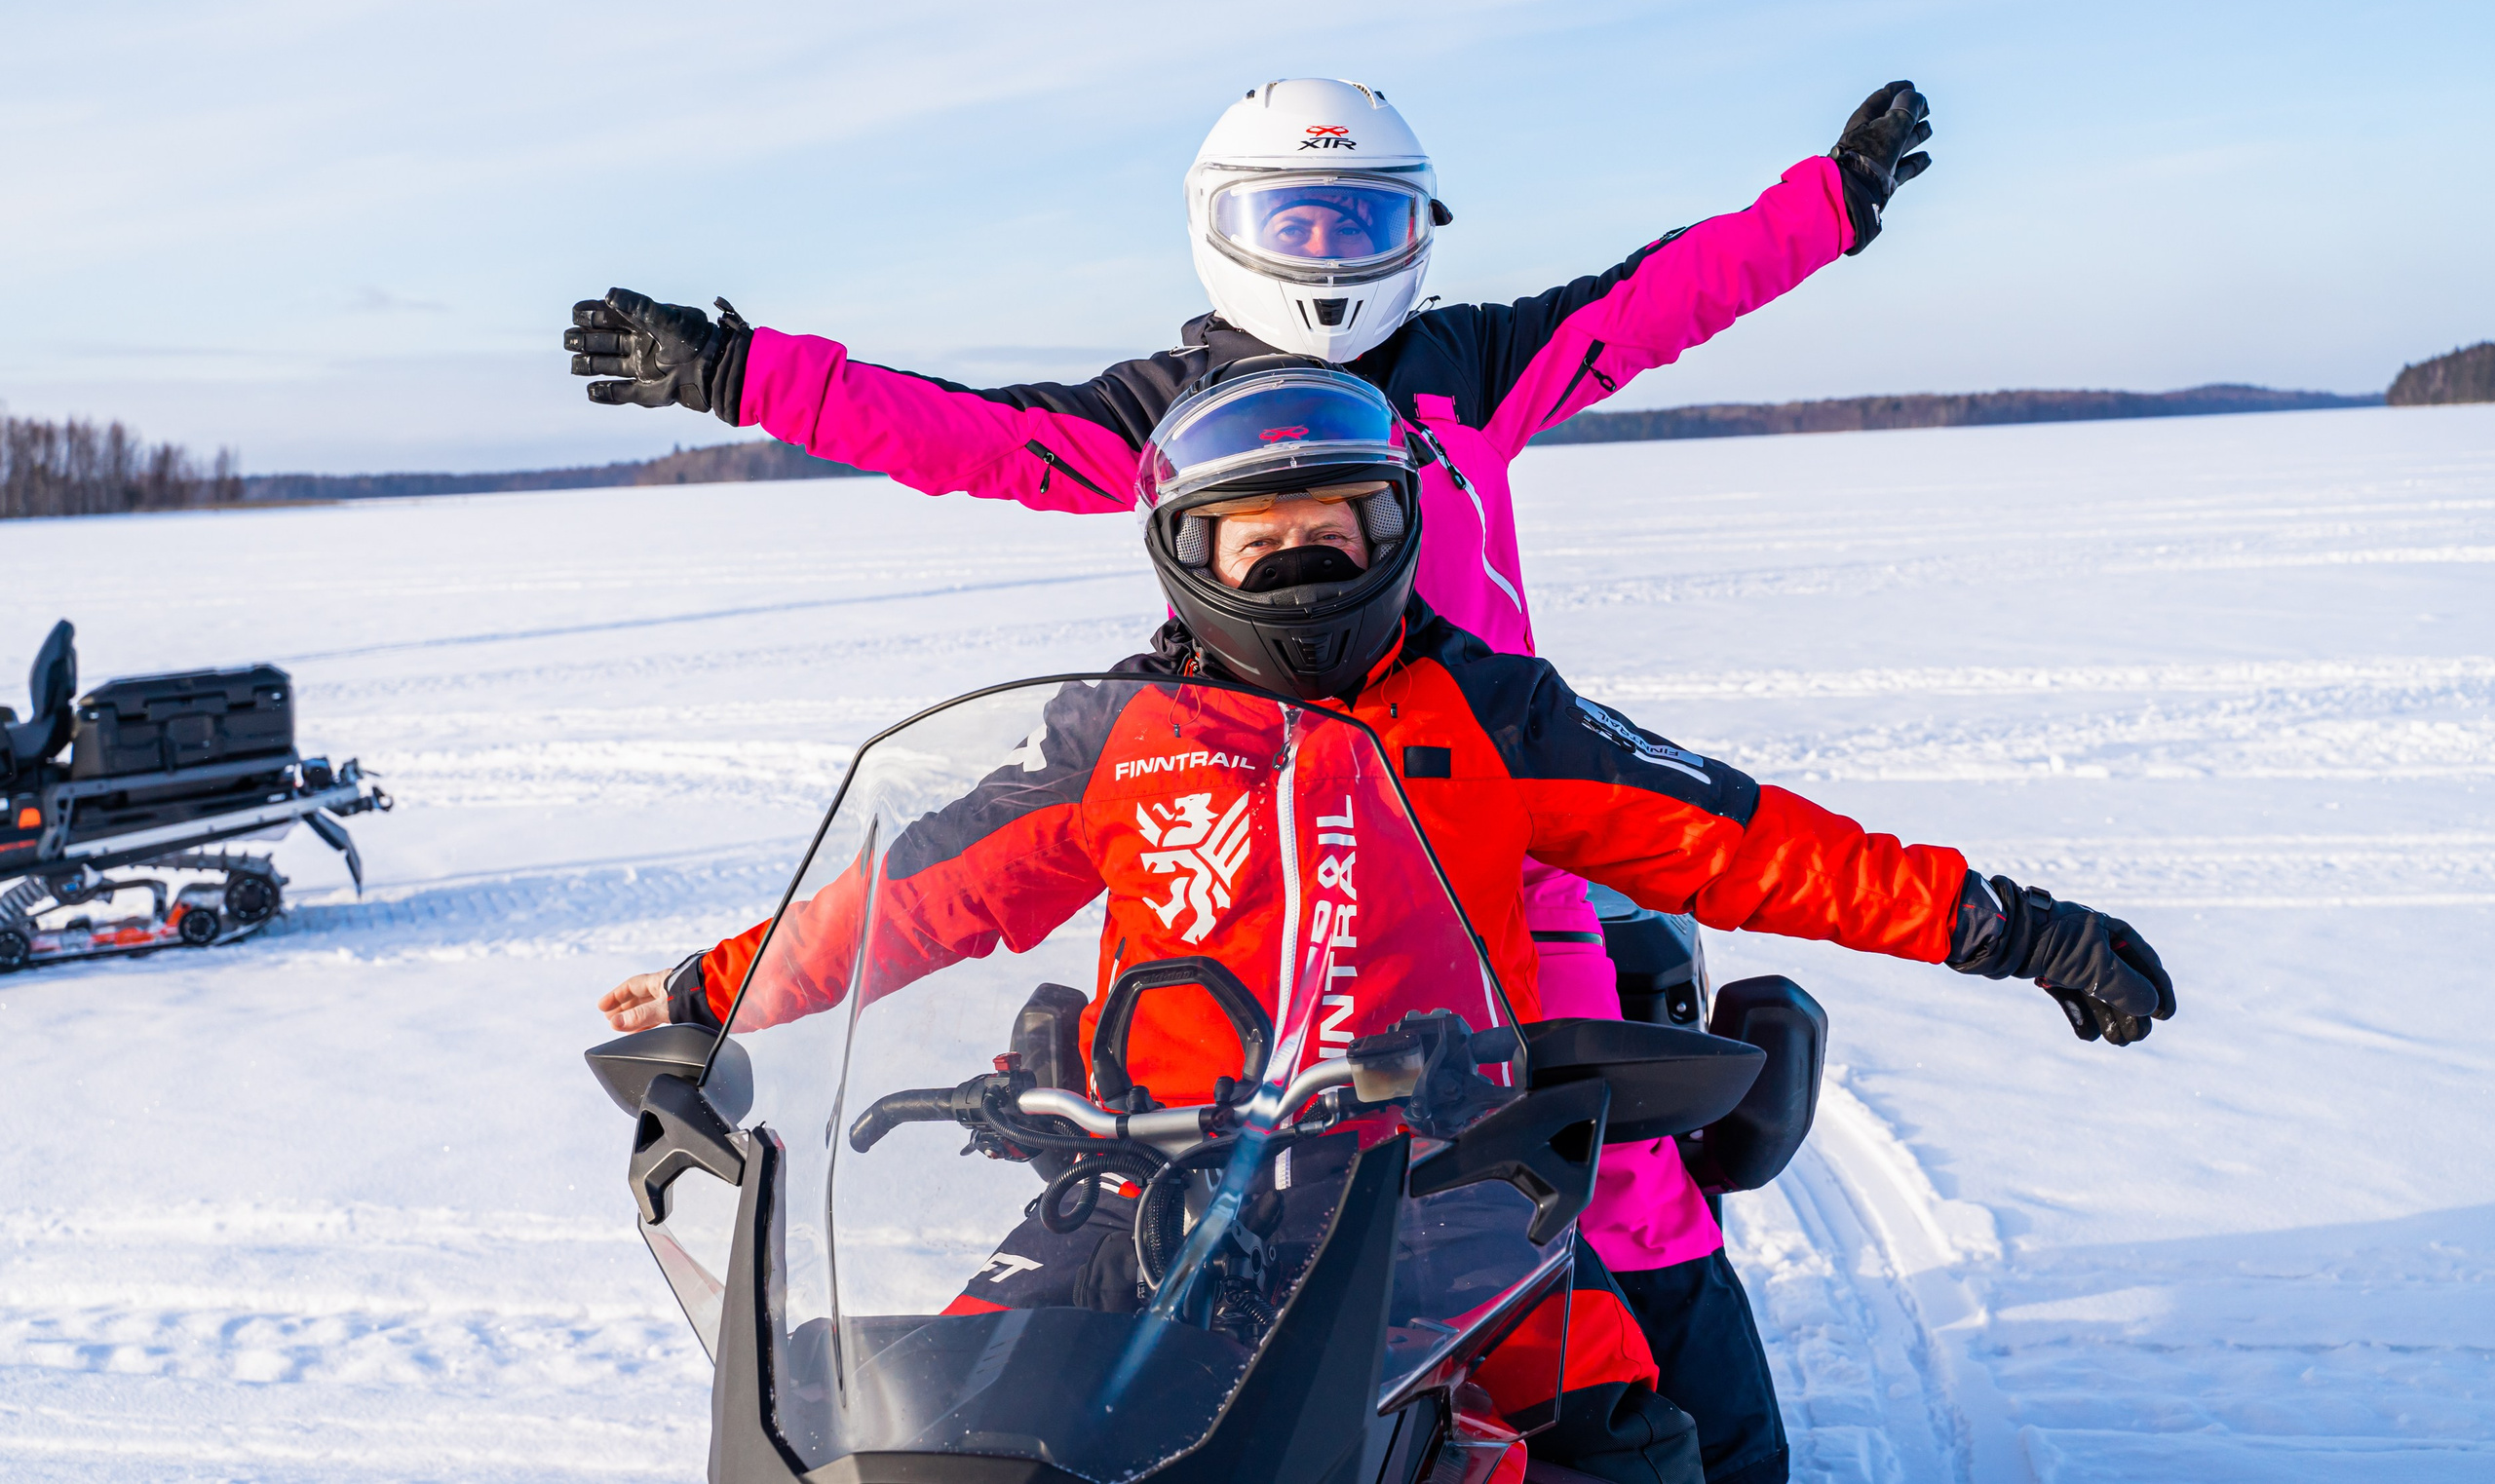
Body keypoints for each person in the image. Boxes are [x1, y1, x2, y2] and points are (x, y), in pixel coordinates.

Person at [599, 368, 2176, 1484]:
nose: (1301, 555)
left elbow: (1744, 843)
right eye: (1256, 533)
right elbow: (917, 891)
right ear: (1188, 552)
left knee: (1617, 1434)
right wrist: (713, 994)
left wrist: (2009, 928)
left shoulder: (1489, 709)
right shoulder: (1119, 734)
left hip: (1433, 1195)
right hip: (1144, 1177)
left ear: (1395, 527)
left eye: (1338, 522)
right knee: (921, 1414)